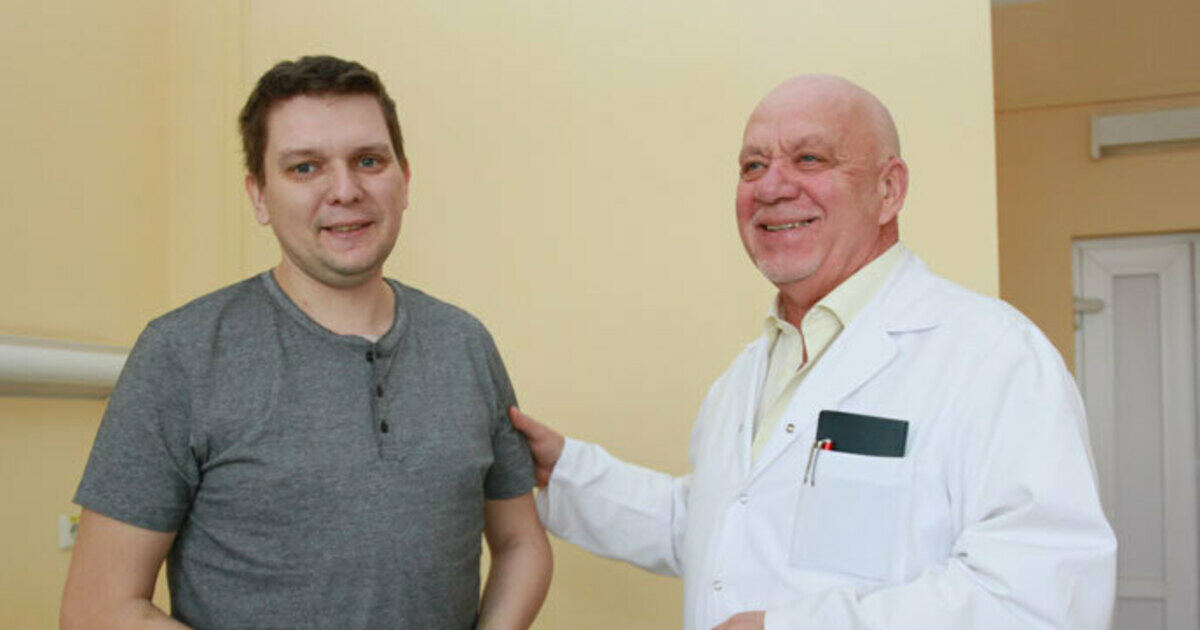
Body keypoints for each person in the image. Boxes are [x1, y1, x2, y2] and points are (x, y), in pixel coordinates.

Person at [510, 75, 1115, 630]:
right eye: (752, 165)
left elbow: (1042, 596)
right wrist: (565, 471)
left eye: (809, 159)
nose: (772, 187)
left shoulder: (993, 356)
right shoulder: (747, 374)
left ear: (888, 190)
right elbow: (715, 527)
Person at [60, 55, 551, 630]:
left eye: (368, 161)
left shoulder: (465, 344)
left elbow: (521, 544)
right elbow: (97, 610)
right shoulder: (182, 355)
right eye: (305, 168)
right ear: (259, 196)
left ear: (404, 179)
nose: (345, 190)